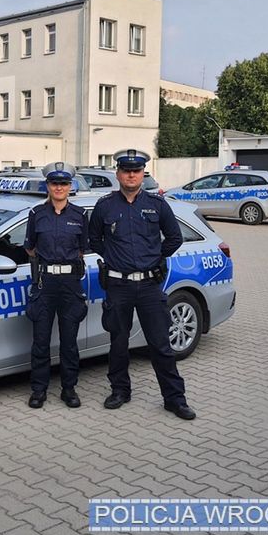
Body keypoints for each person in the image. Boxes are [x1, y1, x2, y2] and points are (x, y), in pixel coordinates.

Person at [88, 149, 196, 420]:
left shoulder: (158, 205)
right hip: (118, 286)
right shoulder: (105, 206)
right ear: (118, 174)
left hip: (149, 287)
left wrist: (154, 257)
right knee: (118, 343)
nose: (131, 175)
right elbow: (95, 240)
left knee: (160, 344)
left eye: (136, 171)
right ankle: (120, 391)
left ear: (142, 174)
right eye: (126, 170)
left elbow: (174, 238)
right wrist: (115, 258)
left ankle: (174, 398)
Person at [24, 162, 89, 409]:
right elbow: (30, 248)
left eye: (63, 183)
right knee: (40, 341)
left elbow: (82, 249)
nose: (59, 187)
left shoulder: (80, 215)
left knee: (69, 341)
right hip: (45, 282)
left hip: (70, 284)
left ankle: (69, 389)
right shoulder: (36, 214)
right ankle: (39, 390)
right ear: (48, 186)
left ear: (70, 187)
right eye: (54, 183)